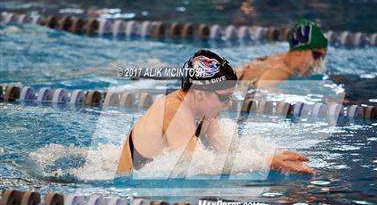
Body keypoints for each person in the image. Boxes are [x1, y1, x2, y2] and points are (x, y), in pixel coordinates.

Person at [117, 49, 314, 175]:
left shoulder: (203, 113)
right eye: (224, 97)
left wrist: (273, 156)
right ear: (200, 93)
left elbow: (228, 152)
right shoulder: (174, 112)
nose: (228, 104)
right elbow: (200, 165)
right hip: (128, 191)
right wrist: (265, 162)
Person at [237, 19, 328, 88]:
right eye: (317, 55)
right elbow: (261, 95)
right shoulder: (279, 72)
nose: (319, 63)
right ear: (299, 51)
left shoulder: (280, 59)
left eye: (323, 57)